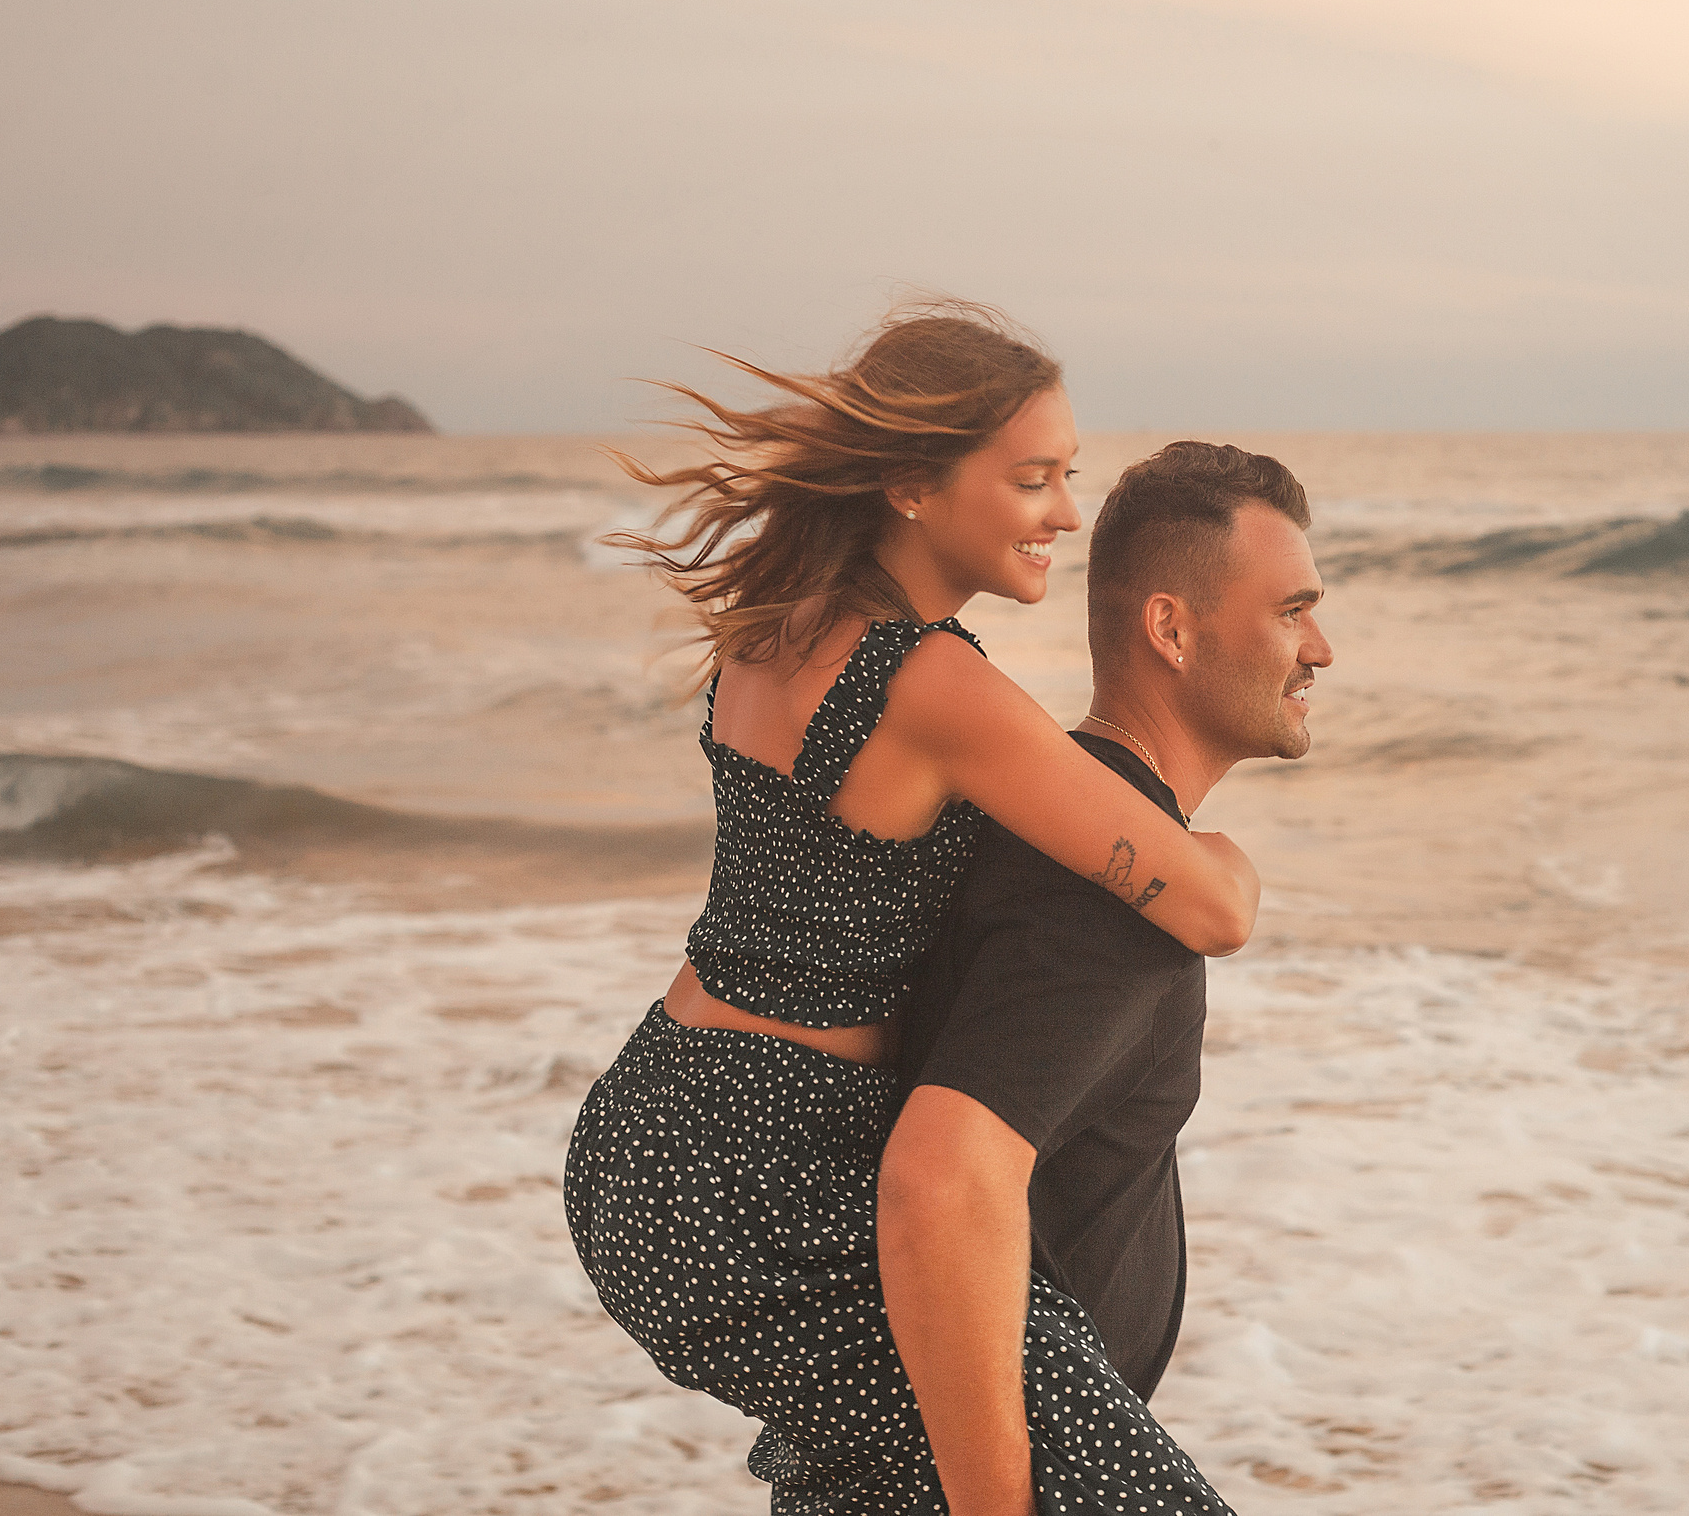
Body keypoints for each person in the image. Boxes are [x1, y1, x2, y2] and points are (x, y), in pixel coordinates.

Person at [562, 303, 1263, 1514]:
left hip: (651, 1142)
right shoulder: (929, 682)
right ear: (911, 485)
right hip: (769, 1184)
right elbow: (1206, 908)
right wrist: (1231, 851)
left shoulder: (771, 635)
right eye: (1032, 479)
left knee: (889, 1489)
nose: (1062, 514)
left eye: (1069, 478)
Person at [875, 443, 1330, 1516]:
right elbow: (940, 1176)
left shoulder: (1070, 832)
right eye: (1292, 610)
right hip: (992, 1468)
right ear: (1169, 630)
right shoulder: (1111, 897)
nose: (1320, 648)